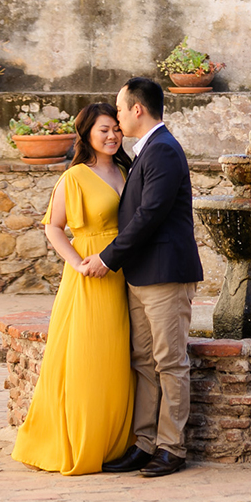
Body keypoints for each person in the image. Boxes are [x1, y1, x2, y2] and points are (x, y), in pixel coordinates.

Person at [11, 103, 136, 475]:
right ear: (86, 134)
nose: (112, 135)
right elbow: (53, 226)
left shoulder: (129, 171)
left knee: (118, 358)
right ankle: (83, 439)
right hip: (90, 275)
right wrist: (77, 262)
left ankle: (115, 440)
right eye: (104, 130)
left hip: (123, 272)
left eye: (116, 128)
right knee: (89, 356)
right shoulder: (75, 177)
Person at [93, 78, 204, 478]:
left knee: (170, 362)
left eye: (120, 110)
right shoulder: (146, 152)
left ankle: (171, 448)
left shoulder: (164, 151)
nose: (118, 119)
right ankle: (143, 443)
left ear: (137, 109)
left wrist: (108, 258)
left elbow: (149, 216)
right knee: (143, 361)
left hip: (165, 274)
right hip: (141, 275)